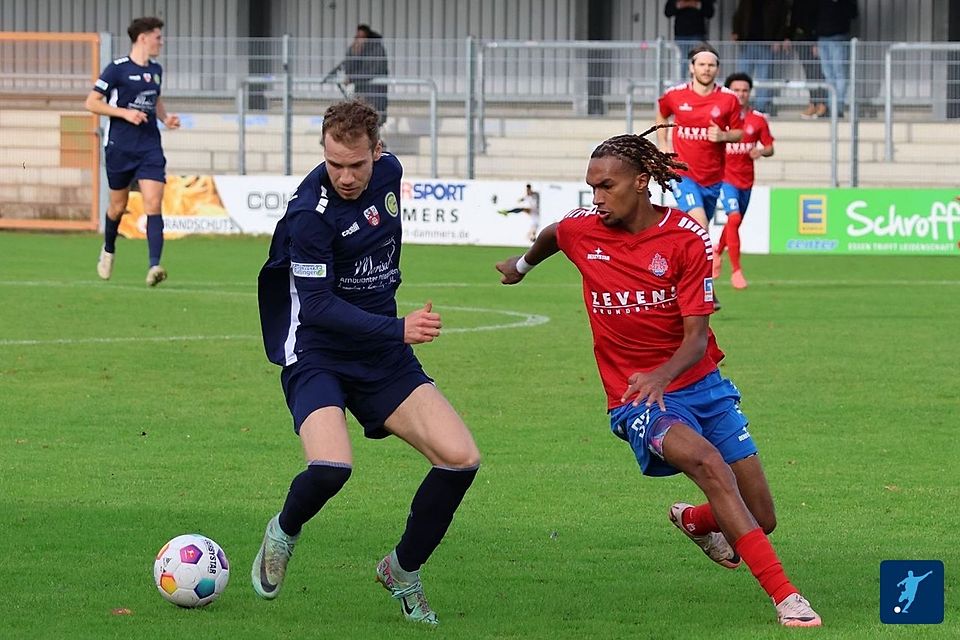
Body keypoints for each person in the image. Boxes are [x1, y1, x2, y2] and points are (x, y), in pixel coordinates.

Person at [495, 129, 822, 628]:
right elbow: (553, 237)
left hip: (698, 383)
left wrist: (661, 374)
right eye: (591, 187)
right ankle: (787, 598)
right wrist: (520, 267)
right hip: (634, 397)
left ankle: (693, 520)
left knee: (762, 516)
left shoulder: (686, 238)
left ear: (643, 181)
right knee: (709, 465)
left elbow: (696, 339)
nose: (596, 198)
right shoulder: (584, 228)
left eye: (607, 186)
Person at [253, 100, 480, 626]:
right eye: (335, 164)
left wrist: (390, 333)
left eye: (357, 164)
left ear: (378, 151)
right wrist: (398, 327)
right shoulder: (309, 216)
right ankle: (284, 530)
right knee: (332, 467)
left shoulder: (392, 172)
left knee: (461, 458)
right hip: (318, 352)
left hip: (381, 354)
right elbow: (318, 307)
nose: (346, 176)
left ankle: (402, 570)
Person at [85, 16, 180, 286]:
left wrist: (165, 119)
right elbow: (91, 103)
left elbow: (156, 99)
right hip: (120, 147)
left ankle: (154, 266)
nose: (161, 42)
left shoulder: (157, 69)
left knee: (153, 202)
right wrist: (124, 114)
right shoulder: (117, 69)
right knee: (117, 207)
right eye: (158, 37)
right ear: (143, 38)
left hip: (149, 146)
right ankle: (108, 249)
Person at [655, 44, 743, 231]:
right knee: (700, 224)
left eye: (711, 65)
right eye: (702, 64)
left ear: (717, 69)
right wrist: (662, 143)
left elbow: (739, 133)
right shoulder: (675, 95)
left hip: (713, 176)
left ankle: (676, 253)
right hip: (681, 173)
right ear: (692, 67)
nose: (706, 69)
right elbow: (662, 114)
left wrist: (723, 135)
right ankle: (708, 260)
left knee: (696, 230)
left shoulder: (729, 99)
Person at [714, 72, 774, 290]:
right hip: (724, 178)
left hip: (746, 181)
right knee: (734, 217)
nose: (740, 94)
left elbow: (769, 147)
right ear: (728, 92)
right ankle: (736, 270)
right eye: (736, 90)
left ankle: (716, 253)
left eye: (744, 90)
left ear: (749, 93)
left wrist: (761, 151)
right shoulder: (719, 117)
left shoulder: (757, 119)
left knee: (733, 221)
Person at [730, 0, 790, 115]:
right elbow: (738, 15)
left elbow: (782, 20)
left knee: (764, 77)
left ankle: (761, 108)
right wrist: (736, 31)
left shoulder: (777, 3)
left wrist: (778, 39)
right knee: (742, 77)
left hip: (766, 43)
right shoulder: (746, 2)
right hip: (746, 43)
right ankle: (738, 107)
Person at [816, 0, 859, 119]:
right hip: (822, 37)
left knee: (839, 73)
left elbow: (853, 13)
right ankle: (831, 107)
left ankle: (837, 108)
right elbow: (814, 13)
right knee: (828, 75)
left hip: (838, 37)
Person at [787, 1, 828, 119]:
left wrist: (815, 41)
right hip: (800, 39)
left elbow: (818, 19)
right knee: (810, 74)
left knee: (818, 73)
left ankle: (822, 104)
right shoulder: (797, 3)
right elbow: (793, 19)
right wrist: (789, 36)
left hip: (813, 39)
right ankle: (813, 103)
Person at [343, 24, 389, 125]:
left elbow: (374, 71)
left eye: (362, 37)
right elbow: (348, 69)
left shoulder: (377, 49)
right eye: (357, 37)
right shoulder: (355, 49)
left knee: (374, 124)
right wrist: (354, 53)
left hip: (375, 95)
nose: (360, 40)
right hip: (361, 95)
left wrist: (353, 78)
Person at [663, 0, 716, 80]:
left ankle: (697, 82)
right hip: (681, 35)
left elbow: (710, 13)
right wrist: (679, 5)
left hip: (698, 34)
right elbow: (668, 12)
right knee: (683, 61)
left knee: (698, 60)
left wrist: (697, 5)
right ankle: (682, 83)